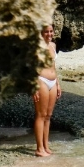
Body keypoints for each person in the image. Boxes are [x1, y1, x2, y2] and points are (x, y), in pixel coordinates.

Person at [33, 24, 61, 157]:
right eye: (46, 32)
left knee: (48, 115)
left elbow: (53, 66)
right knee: (41, 114)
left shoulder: (53, 45)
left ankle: (46, 146)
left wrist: (58, 84)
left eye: (51, 31)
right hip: (41, 81)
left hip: (53, 82)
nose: (49, 34)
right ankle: (39, 149)